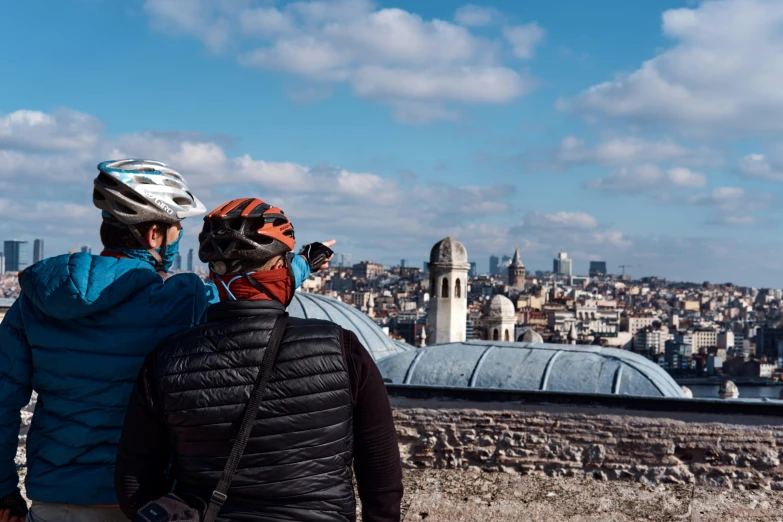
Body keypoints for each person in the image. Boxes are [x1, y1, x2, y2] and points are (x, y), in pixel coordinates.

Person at [0, 162, 322, 522]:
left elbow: (2, 403)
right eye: (177, 228)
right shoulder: (182, 300)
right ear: (154, 234)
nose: (179, 236)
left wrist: (2, 491)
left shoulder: (34, 299)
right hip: (147, 498)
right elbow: (249, 299)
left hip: (56, 496)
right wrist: (302, 265)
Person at [115, 198, 404, 522]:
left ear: (214, 273)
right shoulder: (342, 349)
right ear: (280, 270)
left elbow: (134, 488)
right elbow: (383, 483)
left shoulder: (167, 360)